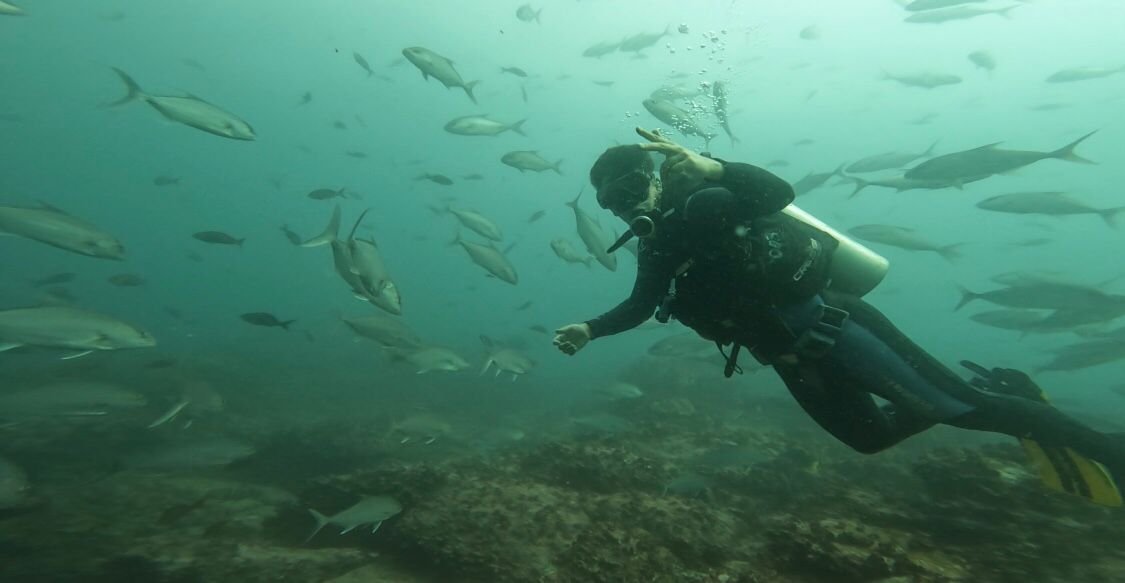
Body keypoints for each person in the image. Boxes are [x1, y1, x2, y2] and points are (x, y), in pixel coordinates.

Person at [553, 127, 1125, 505]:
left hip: (836, 324)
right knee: (868, 438)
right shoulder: (656, 249)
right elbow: (640, 305)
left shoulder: (707, 201)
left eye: (629, 188)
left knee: (965, 413)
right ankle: (970, 389)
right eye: (611, 202)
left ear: (653, 176)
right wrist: (590, 328)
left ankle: (1107, 449)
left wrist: (715, 168)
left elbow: (776, 192)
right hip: (787, 356)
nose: (625, 205)